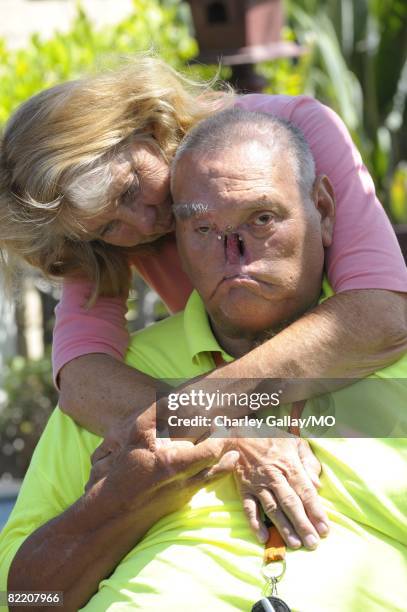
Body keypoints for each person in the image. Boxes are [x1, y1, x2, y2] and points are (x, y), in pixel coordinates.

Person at [1, 109, 406, 611]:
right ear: (175, 236)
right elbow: (23, 599)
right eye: (202, 228)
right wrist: (119, 501)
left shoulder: (392, 358)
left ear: (323, 209)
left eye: (261, 218)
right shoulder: (118, 385)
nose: (234, 252)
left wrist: (189, 415)